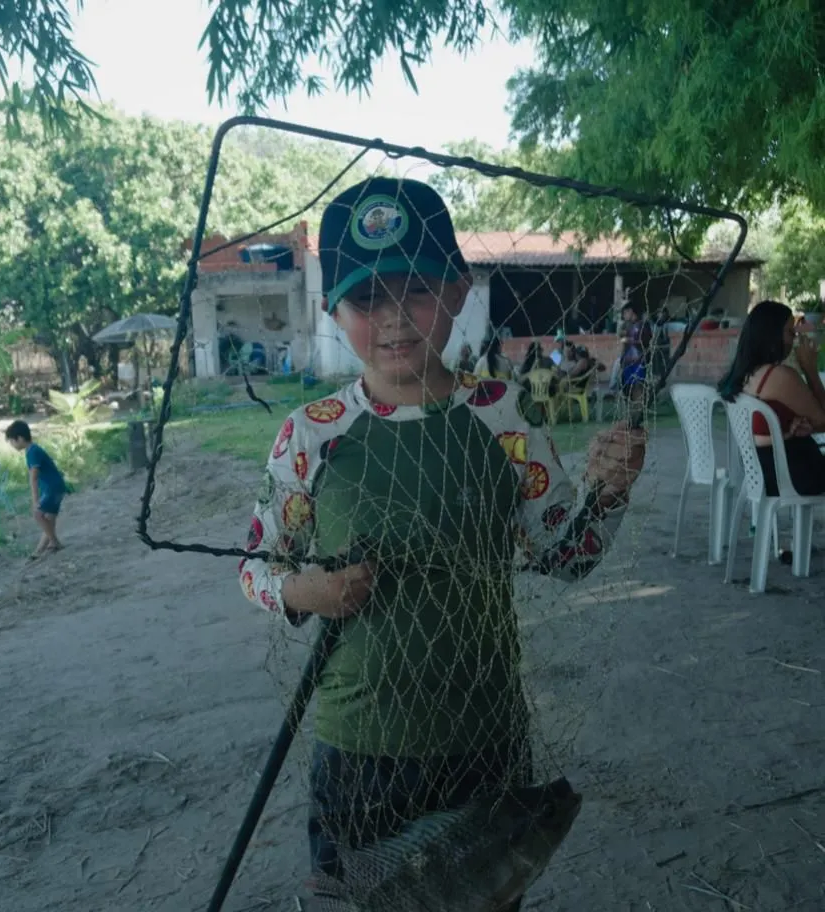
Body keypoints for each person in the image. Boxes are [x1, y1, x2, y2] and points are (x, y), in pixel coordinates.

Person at [237, 176, 646, 899]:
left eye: (418, 290)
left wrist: (608, 492)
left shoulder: (505, 415)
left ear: (458, 291)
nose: (394, 317)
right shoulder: (311, 434)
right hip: (359, 752)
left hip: (485, 740)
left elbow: (565, 556)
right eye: (366, 299)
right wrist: (304, 591)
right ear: (333, 311)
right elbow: (255, 569)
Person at [718, 299, 825, 495]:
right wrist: (810, 369)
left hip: (758, 471)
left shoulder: (743, 375)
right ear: (771, 335)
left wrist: (791, 429)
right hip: (795, 474)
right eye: (790, 333)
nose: (794, 340)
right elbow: (823, 421)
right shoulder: (780, 376)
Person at [4, 420, 68, 558]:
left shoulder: (32, 452)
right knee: (49, 518)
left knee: (38, 514)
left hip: (52, 487)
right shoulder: (33, 450)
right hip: (56, 486)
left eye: (12, 441)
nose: (12, 445)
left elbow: (33, 477)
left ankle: (55, 542)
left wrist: (35, 500)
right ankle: (40, 549)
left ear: (20, 438)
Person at [619, 302, 653, 388]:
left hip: (639, 361)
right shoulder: (627, 326)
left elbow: (646, 341)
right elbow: (624, 344)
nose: (624, 316)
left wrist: (631, 340)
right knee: (627, 386)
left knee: (638, 386)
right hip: (627, 361)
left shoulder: (643, 324)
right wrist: (622, 358)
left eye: (625, 313)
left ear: (631, 311)